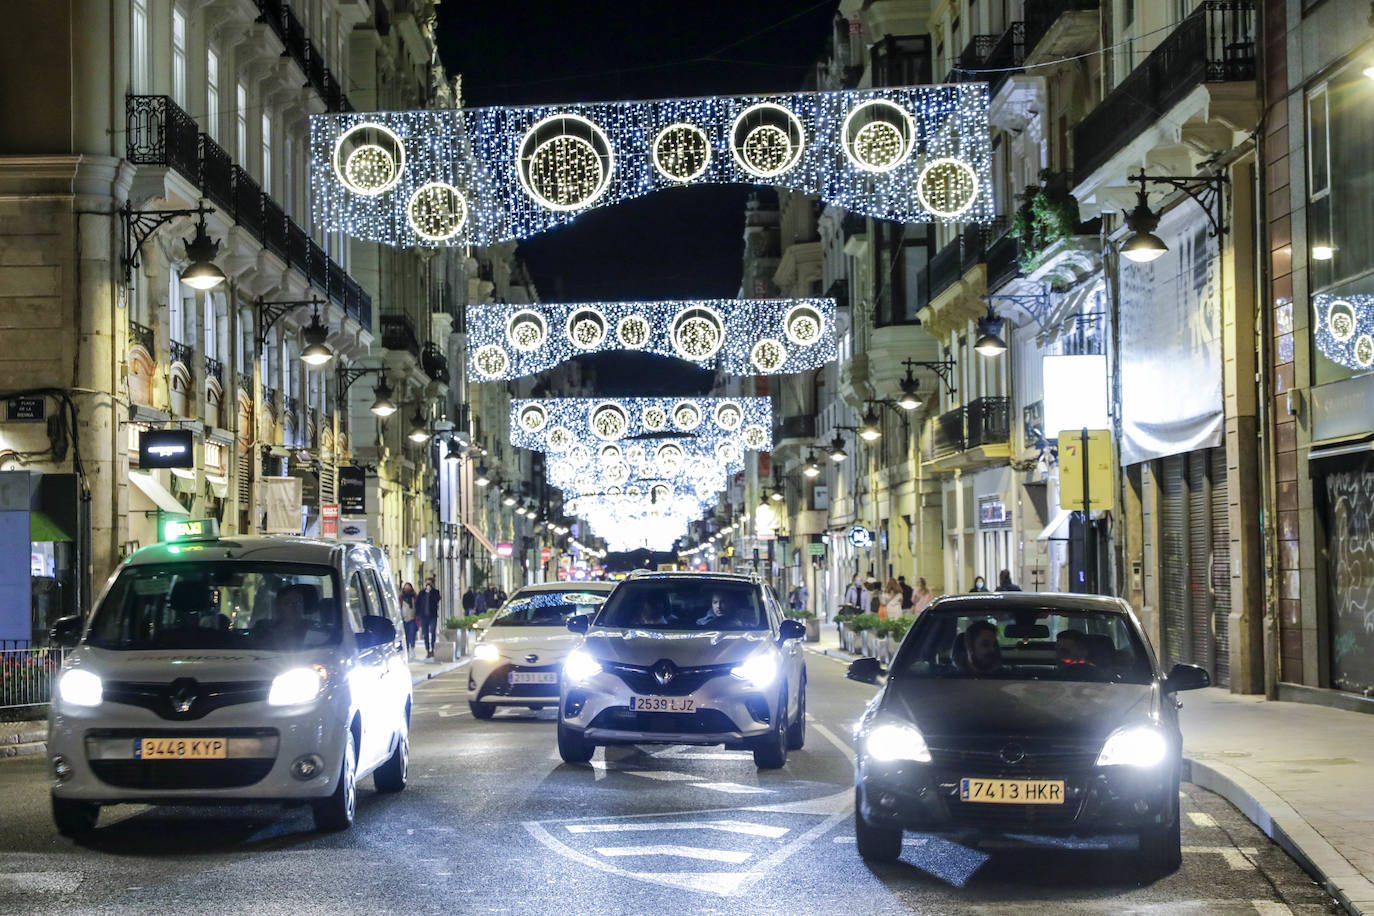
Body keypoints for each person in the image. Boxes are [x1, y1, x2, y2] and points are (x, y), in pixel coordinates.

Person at [416, 577, 441, 659]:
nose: (428, 585)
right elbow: (418, 603)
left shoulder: (435, 592)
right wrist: (418, 614)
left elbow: (437, 600)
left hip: (432, 616)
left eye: (430, 583)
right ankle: (427, 650)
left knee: (433, 632)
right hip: (423, 616)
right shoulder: (422, 593)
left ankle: (433, 649)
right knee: (425, 634)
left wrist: (430, 593)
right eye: (427, 583)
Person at [399, 582, 417, 657]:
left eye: (408, 587)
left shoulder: (414, 597)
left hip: (412, 618)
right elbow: (399, 607)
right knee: (405, 635)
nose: (407, 589)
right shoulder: (401, 597)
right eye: (406, 587)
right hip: (404, 619)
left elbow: (417, 606)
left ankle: (412, 648)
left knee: (412, 634)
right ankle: (407, 650)